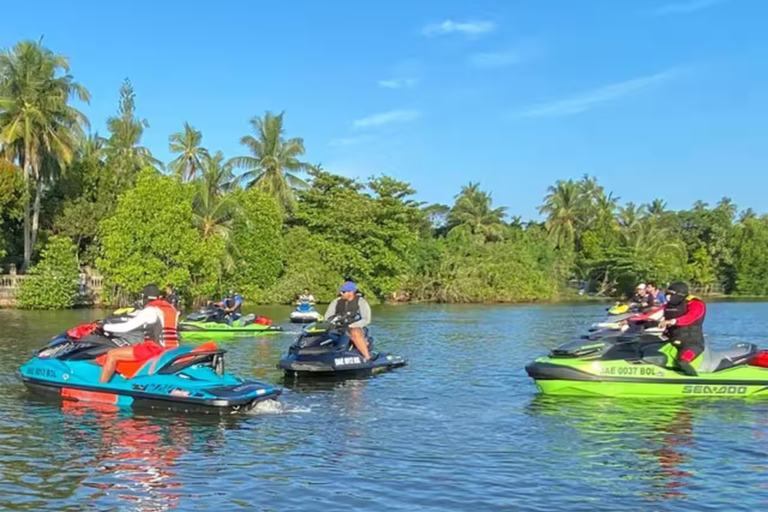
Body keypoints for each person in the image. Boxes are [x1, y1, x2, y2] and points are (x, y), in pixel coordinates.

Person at [100, 284, 180, 382]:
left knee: (112, 354)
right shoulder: (172, 310)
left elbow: (126, 327)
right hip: (173, 349)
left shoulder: (150, 310)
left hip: (155, 349)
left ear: (144, 297)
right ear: (159, 297)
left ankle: (101, 387)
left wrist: (104, 327)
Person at [658, 282, 706, 376]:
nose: (668, 296)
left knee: (682, 362)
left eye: (671, 294)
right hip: (673, 341)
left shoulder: (696, 303)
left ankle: (695, 382)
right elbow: (651, 314)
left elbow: (690, 317)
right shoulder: (669, 306)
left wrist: (672, 321)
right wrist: (630, 318)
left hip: (692, 344)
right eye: (667, 293)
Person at [324, 281, 373, 361]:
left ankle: (367, 358)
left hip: (355, 327)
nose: (341, 293)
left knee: (355, 332)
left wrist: (351, 326)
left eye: (343, 292)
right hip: (337, 327)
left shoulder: (361, 302)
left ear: (351, 292)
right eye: (341, 291)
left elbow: (366, 319)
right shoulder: (336, 302)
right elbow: (327, 318)